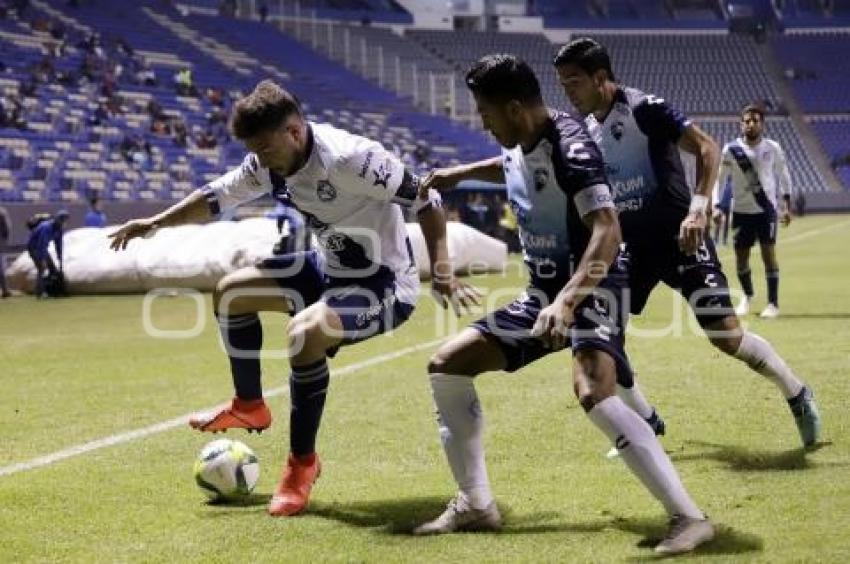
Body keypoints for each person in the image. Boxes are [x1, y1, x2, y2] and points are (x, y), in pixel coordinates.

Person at [108, 80, 477, 518]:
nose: (259, 160)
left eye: (265, 149)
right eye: (255, 151)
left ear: (295, 132)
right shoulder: (268, 162)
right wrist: (155, 222)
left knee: (304, 335)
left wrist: (442, 270)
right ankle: (250, 406)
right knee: (231, 293)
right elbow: (215, 198)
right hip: (327, 268)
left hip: (382, 283)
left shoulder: (352, 158)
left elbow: (427, 198)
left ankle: (302, 465)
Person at [413, 54, 713, 555]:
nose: (482, 122)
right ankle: (477, 504)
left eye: (485, 113)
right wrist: (456, 174)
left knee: (593, 389)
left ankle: (689, 518)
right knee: (447, 365)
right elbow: (510, 165)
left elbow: (608, 230)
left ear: (513, 108)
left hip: (596, 282)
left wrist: (569, 301)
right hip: (546, 293)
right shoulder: (523, 137)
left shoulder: (572, 148)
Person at [553, 38, 820, 450]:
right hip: (629, 251)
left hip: (681, 240)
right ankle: (646, 422)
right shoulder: (585, 131)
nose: (567, 92)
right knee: (606, 341)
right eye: (563, 83)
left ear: (600, 78)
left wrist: (698, 209)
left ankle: (797, 392)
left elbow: (706, 147)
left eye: (573, 82)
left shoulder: (644, 108)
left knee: (726, 337)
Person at [714, 105, 792, 319]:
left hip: (766, 210)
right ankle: (748, 297)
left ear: (762, 124)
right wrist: (715, 206)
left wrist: (786, 205)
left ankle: (773, 304)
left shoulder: (772, 147)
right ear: (741, 124)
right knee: (741, 259)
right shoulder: (731, 150)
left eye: (755, 120)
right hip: (740, 211)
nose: (750, 124)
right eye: (746, 121)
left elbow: (783, 174)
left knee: (769, 256)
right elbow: (719, 181)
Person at [27, 209, 68, 298]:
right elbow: (41, 244)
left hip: (42, 248)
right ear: (59, 220)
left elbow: (59, 244)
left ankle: (51, 289)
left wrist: (60, 259)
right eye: (63, 220)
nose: (65, 223)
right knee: (42, 268)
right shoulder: (46, 227)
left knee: (53, 268)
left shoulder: (59, 229)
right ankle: (40, 292)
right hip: (34, 247)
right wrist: (42, 259)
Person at [712, 180, 732, 246]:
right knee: (718, 223)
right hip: (720, 204)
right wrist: (715, 204)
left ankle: (724, 240)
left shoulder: (731, 182)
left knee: (726, 223)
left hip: (727, 204)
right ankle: (715, 239)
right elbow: (715, 192)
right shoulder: (720, 181)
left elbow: (732, 194)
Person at [0, 205, 11, 298]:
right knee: (2, 269)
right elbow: (7, 229)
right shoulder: (2, 212)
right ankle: (5, 290)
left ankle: (5, 290)